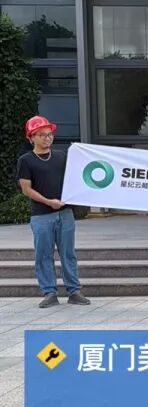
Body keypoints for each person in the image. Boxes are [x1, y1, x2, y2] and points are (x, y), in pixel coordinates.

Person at [15, 115, 90, 308]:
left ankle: (74, 291)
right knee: (43, 255)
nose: (47, 138)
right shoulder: (26, 161)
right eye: (42, 135)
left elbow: (75, 179)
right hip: (41, 215)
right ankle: (49, 292)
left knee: (68, 253)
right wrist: (48, 202)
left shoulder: (61, 157)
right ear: (31, 137)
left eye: (49, 134)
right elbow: (26, 189)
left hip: (65, 213)